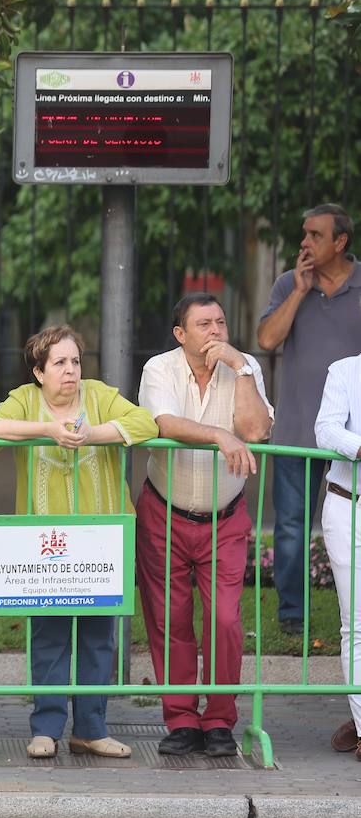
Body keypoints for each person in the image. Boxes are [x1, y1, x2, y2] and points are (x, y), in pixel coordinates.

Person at [0, 324, 158, 759]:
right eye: (59, 362)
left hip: (100, 541)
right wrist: (46, 430)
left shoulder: (98, 395)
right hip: (45, 544)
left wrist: (91, 434)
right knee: (50, 636)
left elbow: (145, 422)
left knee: (99, 637)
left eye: (75, 360)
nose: (71, 370)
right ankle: (46, 729)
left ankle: (92, 730)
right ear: (39, 372)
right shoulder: (26, 399)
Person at [135, 293, 274, 758]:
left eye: (220, 322)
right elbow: (166, 422)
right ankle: (180, 719)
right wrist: (217, 433)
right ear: (181, 334)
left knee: (226, 619)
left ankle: (219, 719)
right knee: (168, 618)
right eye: (203, 324)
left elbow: (255, 432)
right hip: (165, 513)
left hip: (225, 518)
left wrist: (244, 369)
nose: (215, 331)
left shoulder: (244, 367)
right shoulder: (160, 368)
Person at [257, 204, 361, 637]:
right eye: (304, 234)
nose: (304, 242)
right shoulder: (287, 284)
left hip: (351, 437)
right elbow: (266, 339)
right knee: (290, 527)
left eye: (315, 235)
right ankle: (292, 616)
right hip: (297, 428)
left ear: (340, 242)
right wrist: (299, 291)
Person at [313, 352, 361, 761]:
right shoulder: (344, 370)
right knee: (358, 624)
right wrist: (360, 446)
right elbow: (325, 430)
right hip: (350, 505)